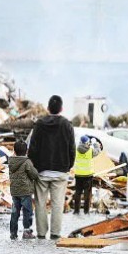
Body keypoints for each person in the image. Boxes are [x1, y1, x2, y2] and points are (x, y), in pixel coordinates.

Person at [28, 95, 75, 240]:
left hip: (42, 171)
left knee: (40, 203)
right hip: (60, 171)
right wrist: (68, 165)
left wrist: (33, 166)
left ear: (48, 108)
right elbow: (71, 148)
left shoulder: (40, 124)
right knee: (57, 204)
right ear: (61, 108)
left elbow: (33, 148)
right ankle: (55, 233)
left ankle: (41, 233)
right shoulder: (67, 125)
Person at [8, 140, 39, 240]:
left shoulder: (11, 161)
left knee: (14, 212)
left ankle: (13, 233)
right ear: (26, 151)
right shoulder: (27, 162)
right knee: (27, 212)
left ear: (14, 150)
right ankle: (26, 232)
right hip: (25, 191)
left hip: (14, 191)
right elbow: (34, 175)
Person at [73, 136, 100, 214]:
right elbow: (98, 151)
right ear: (86, 143)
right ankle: (86, 211)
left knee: (78, 193)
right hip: (87, 176)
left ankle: (76, 210)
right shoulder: (90, 151)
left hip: (78, 175)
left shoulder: (76, 150)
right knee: (87, 194)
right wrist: (95, 144)